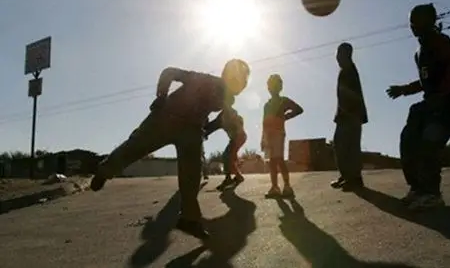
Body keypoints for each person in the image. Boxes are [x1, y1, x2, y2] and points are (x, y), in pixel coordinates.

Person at [90, 59, 251, 240]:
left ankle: (189, 219)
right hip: (166, 119)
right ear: (228, 76)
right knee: (135, 147)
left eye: (245, 83)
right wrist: (161, 97)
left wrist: (206, 129)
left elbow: (219, 120)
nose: (242, 86)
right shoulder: (206, 79)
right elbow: (170, 72)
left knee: (192, 174)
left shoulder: (228, 99)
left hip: (191, 130)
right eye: (241, 81)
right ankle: (105, 170)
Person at [386, 3, 450, 210]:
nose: (412, 25)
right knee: (408, 138)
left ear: (429, 22)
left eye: (416, 21)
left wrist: (441, 95)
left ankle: (432, 194)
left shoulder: (440, 41)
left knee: (429, 143)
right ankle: (417, 188)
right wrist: (404, 89)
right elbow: (425, 81)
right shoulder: (419, 52)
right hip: (432, 102)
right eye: (411, 21)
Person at [331, 42, 368, 191]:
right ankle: (345, 175)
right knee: (339, 145)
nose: (337, 58)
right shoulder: (345, 71)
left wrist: (349, 115)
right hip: (344, 116)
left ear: (346, 55)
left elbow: (351, 97)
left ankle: (355, 179)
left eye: (339, 54)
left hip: (351, 116)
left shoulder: (350, 71)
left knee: (350, 147)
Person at [261, 74, 304, 199]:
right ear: (268, 88)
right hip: (268, 135)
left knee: (279, 159)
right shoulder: (267, 105)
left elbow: (299, 109)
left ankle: (287, 187)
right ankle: (275, 187)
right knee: (272, 162)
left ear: (280, 87)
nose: (272, 88)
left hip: (279, 133)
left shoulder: (284, 100)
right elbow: (264, 122)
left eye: (275, 85)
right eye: (270, 85)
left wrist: (285, 117)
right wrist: (263, 138)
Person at [204, 109, 247, 190]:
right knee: (229, 158)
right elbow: (212, 126)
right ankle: (238, 177)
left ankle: (228, 179)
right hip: (236, 139)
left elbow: (239, 123)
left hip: (239, 137)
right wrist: (205, 131)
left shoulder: (234, 115)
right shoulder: (221, 119)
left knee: (226, 156)